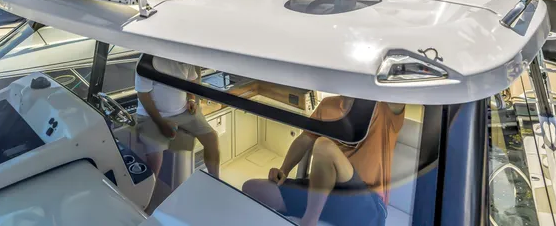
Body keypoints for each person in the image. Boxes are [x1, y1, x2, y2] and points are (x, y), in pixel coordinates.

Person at [242, 97, 404, 226]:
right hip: (324, 196)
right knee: (252, 188)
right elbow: (304, 139)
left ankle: (309, 221)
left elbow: (399, 86)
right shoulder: (327, 105)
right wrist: (283, 170)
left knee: (324, 146)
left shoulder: (385, 108)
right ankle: (315, 210)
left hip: (366, 202)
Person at [135, 56, 221, 179]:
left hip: (183, 111)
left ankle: (215, 179)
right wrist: (161, 123)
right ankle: (148, 193)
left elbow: (190, 82)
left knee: (212, 138)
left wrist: (191, 99)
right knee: (155, 155)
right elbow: (143, 95)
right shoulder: (147, 61)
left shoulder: (184, 55)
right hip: (151, 115)